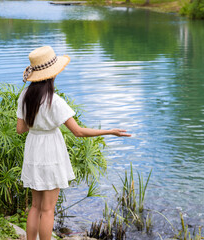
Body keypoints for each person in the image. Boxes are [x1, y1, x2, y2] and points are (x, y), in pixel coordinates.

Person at [16, 46, 131, 240]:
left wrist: (37, 124)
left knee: (35, 206)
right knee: (48, 209)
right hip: (51, 150)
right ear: (52, 74)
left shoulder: (25, 96)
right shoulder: (54, 100)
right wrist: (110, 131)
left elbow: (21, 129)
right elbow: (78, 131)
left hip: (33, 148)